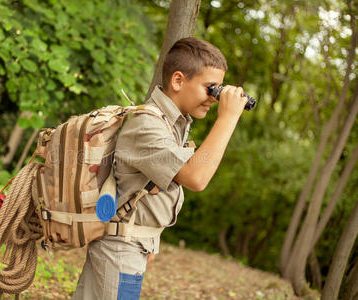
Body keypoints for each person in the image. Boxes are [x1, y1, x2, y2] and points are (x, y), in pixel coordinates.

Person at [71, 37, 249, 300]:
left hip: (129, 247)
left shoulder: (171, 124)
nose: (214, 98)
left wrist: (150, 238)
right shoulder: (148, 124)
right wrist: (229, 117)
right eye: (210, 88)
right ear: (178, 81)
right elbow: (196, 177)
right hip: (120, 251)